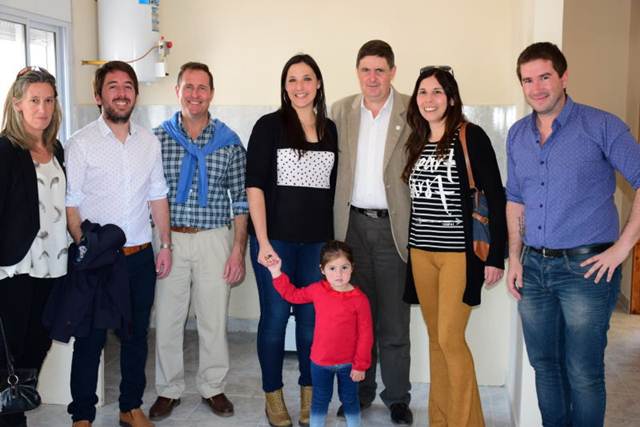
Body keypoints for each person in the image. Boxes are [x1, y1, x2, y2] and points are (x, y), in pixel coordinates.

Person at [505, 42, 640, 426]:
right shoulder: (517, 135)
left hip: (587, 270)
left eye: (544, 77)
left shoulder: (601, 126)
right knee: (545, 365)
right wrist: (514, 258)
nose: (536, 88)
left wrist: (622, 248)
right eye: (528, 80)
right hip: (534, 269)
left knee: (583, 372)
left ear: (564, 77)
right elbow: (515, 199)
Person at [65, 61, 172, 427]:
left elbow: (157, 194)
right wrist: (84, 248)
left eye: (128, 86)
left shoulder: (148, 142)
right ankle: (82, 415)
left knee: (135, 336)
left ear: (136, 95)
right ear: (99, 96)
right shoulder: (80, 143)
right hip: (98, 259)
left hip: (139, 257)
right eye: (113, 86)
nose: (122, 93)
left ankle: (130, 406)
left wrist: (166, 244)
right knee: (90, 339)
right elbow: (72, 203)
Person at [402, 66, 506, 426]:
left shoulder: (470, 136)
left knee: (450, 338)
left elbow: (495, 196)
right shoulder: (416, 140)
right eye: (422, 92)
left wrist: (496, 256)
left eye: (437, 92)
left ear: (451, 98)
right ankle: (441, 420)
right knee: (435, 339)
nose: (428, 99)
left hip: (458, 255)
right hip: (421, 252)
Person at [149, 62, 248, 421]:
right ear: (177, 91)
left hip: (213, 239)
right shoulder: (156, 139)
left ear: (211, 93)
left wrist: (238, 250)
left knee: (213, 319)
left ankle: (213, 387)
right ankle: (168, 389)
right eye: (188, 87)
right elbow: (149, 194)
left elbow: (241, 200)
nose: (195, 94)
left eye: (202, 87)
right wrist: (161, 242)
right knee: (168, 319)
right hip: (168, 240)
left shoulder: (229, 142)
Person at [246, 53, 338, 427]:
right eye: (292, 80)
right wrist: (263, 241)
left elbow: (332, 192)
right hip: (276, 244)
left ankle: (309, 395)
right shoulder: (269, 126)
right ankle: (273, 396)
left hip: (317, 246)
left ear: (318, 84)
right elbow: (254, 186)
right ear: (284, 87)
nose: (300, 87)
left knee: (312, 324)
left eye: (307, 78)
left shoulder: (331, 130)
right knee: (274, 319)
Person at [331, 39, 413, 424]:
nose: (373, 77)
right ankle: (359, 393)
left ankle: (397, 398)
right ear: (357, 72)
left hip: (394, 229)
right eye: (366, 70)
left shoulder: (413, 109)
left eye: (380, 70)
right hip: (351, 229)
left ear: (393, 72)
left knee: (393, 322)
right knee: (355, 319)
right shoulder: (340, 111)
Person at [0, 66, 66, 427]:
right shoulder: (6, 150)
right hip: (15, 268)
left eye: (49, 101)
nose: (43, 108)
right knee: (8, 353)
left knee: (36, 347)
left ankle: (17, 408)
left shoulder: (55, 149)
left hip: (53, 267)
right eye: (35, 100)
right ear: (17, 104)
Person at [264, 240, 373, 427]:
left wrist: (360, 365)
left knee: (350, 400)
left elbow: (366, 335)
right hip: (320, 362)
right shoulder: (317, 290)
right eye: (332, 268)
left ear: (352, 268)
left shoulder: (360, 300)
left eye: (344, 267)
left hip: (349, 364)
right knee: (320, 400)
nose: (338, 274)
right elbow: (292, 295)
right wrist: (276, 272)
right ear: (322, 270)